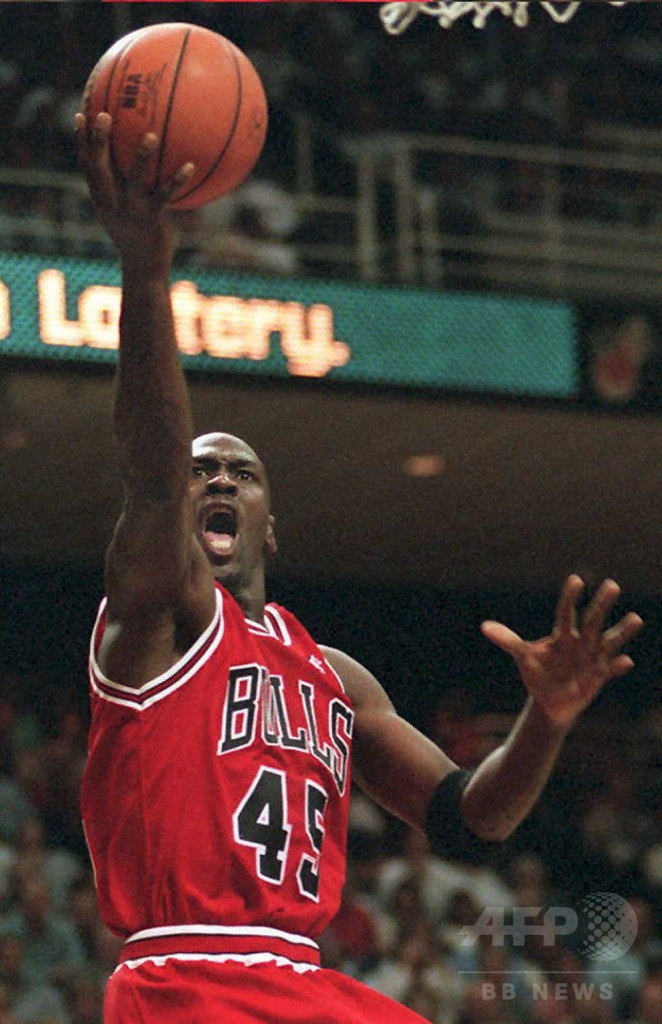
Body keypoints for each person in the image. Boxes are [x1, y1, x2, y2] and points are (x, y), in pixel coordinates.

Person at [74, 111, 643, 1024]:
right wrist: (145, 272)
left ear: (269, 528)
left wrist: (546, 718)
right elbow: (150, 463)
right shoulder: (160, 622)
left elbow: (471, 818)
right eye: (201, 471)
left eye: (241, 474)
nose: (216, 480)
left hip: (303, 979)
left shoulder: (335, 677)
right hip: (188, 976)